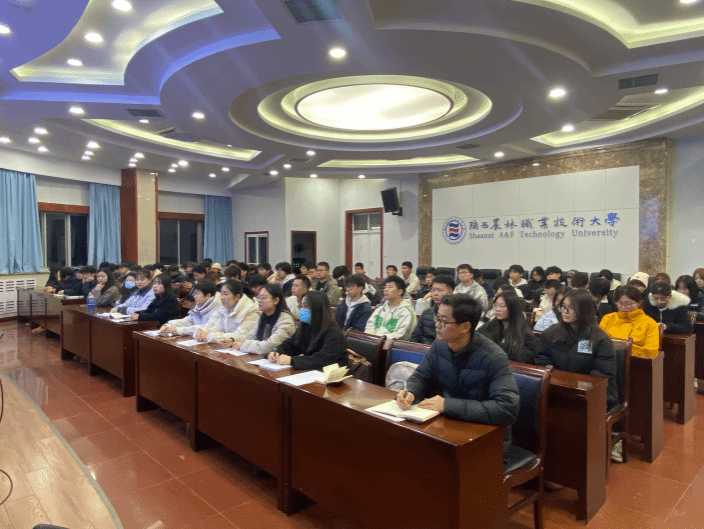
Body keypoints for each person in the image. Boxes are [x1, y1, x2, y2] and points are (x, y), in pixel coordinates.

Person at [396, 294, 520, 465]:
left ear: (465, 327)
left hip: (487, 440)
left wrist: (447, 405)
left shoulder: (493, 357)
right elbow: (421, 376)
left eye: (443, 321)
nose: (436, 325)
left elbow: (507, 408)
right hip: (449, 428)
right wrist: (410, 391)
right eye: (437, 318)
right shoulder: (440, 345)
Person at [536, 289, 618, 410]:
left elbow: (603, 374)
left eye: (571, 307)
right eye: (563, 306)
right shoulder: (551, 333)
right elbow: (542, 359)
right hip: (557, 388)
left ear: (584, 310)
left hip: (591, 393)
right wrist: (556, 381)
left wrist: (575, 386)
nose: (565, 311)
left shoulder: (600, 339)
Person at [268, 290, 347, 370]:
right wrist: (277, 352)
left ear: (317, 308)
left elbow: (324, 359)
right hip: (313, 371)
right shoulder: (306, 326)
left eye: (306, 306)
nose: (302, 310)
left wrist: (292, 360)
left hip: (334, 373)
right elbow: (292, 345)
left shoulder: (333, 332)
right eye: (301, 306)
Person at [229, 284, 296, 355]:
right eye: (259, 297)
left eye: (263, 298)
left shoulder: (286, 320)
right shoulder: (264, 316)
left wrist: (243, 345)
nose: (259, 301)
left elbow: (270, 346)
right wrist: (232, 340)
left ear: (276, 300)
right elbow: (250, 336)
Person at [600, 284, 660, 358]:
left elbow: (652, 353)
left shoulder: (650, 323)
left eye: (627, 303)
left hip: (635, 361)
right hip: (606, 358)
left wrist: (626, 348)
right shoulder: (608, 318)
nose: (623, 307)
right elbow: (598, 343)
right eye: (620, 303)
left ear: (639, 303)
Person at [478, 291, 538, 363]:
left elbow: (525, 360)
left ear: (513, 308)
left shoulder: (525, 334)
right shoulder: (488, 327)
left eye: (502, 306)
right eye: (496, 305)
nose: (497, 309)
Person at [194, 280, 260, 344]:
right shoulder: (225, 308)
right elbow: (219, 328)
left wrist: (210, 336)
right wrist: (203, 331)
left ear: (237, 297)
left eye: (225, 294)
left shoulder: (250, 310)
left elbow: (240, 336)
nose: (222, 297)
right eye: (221, 294)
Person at [364, 276, 416, 344]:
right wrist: (372, 339)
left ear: (400, 291)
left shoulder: (407, 311)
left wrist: (379, 340)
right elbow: (369, 326)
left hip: (393, 347)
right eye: (385, 287)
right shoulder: (380, 309)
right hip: (373, 343)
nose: (386, 290)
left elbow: (401, 335)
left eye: (390, 287)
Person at [411, 274, 456, 344]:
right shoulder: (426, 313)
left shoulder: (455, 314)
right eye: (433, 290)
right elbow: (415, 337)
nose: (435, 294)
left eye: (440, 290)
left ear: (451, 291)